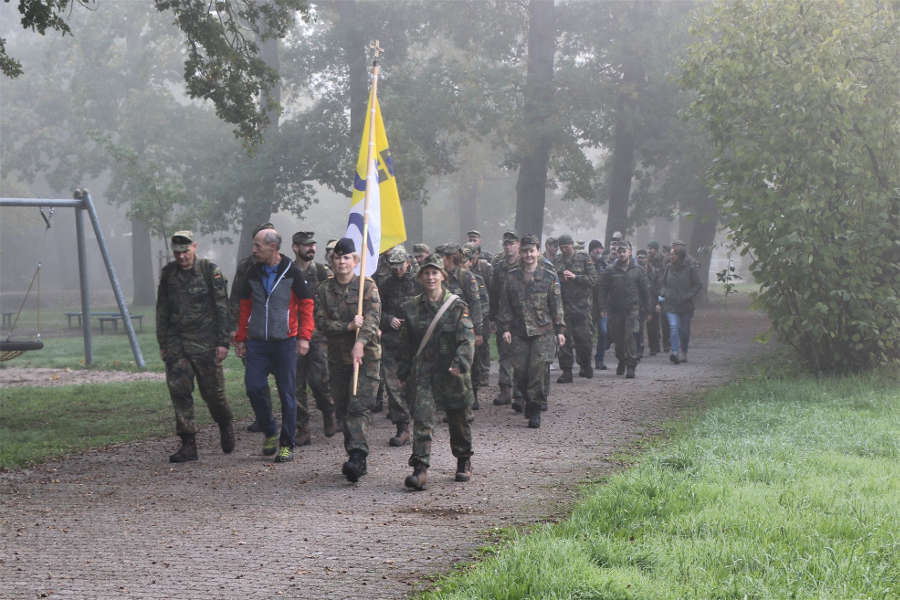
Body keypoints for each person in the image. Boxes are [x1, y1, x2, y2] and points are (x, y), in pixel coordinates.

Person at [234, 228, 314, 463]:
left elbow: (307, 304)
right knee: (253, 386)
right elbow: (245, 306)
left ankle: (287, 444)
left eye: (258, 246)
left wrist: (304, 336)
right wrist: (240, 338)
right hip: (257, 342)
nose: (254, 250)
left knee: (288, 394)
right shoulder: (251, 270)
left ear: (273, 248)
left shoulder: (292, 272)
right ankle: (270, 430)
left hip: (285, 342)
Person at [398, 255, 476, 490]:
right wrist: (403, 373)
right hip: (424, 373)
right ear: (420, 277)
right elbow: (405, 344)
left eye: (435, 273)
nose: (430, 277)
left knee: (458, 418)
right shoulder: (410, 308)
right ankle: (420, 469)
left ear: (443, 275)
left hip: (452, 372)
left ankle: (463, 460)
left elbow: (467, 339)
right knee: (422, 418)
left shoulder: (456, 306)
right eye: (426, 273)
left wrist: (460, 364)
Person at [157, 230, 235, 463]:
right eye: (177, 252)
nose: (181, 257)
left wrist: (223, 343)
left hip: (206, 342)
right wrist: (163, 343)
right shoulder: (168, 274)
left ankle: (224, 423)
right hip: (177, 342)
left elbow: (222, 308)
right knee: (179, 392)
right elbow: (162, 311)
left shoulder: (210, 271)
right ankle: (188, 443)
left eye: (185, 251)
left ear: (195, 247)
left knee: (213, 394)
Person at [315, 238, 382, 482]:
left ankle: (357, 457)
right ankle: (355, 455)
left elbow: (373, 320)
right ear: (332, 261)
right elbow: (320, 322)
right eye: (337, 257)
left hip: (365, 357)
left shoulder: (367, 286)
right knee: (343, 407)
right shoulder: (324, 289)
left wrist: (360, 342)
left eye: (346, 257)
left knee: (358, 405)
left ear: (355, 261)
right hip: (337, 358)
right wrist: (347, 326)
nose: (341, 262)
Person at [496, 234, 566, 428]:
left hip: (543, 331)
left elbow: (556, 305)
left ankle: (534, 409)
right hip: (519, 332)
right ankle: (527, 399)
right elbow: (505, 306)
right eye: (525, 251)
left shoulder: (549, 277)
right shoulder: (512, 277)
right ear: (521, 253)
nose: (528, 255)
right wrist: (505, 328)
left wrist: (560, 330)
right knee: (520, 371)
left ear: (537, 252)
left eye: (531, 251)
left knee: (536, 370)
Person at [291, 231, 337, 444]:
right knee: (295, 384)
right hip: (292, 334)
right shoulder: (287, 272)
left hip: (318, 335)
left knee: (319, 381)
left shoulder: (321, 271)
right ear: (295, 247)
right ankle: (303, 428)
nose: (311, 248)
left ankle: (328, 411)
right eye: (305, 245)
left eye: (313, 245)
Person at [230, 222, 274, 433]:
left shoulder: (284, 265)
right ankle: (263, 417)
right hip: (253, 331)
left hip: (279, 332)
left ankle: (296, 421)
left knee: (288, 379)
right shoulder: (246, 266)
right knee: (255, 379)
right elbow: (236, 296)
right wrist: (235, 329)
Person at [378, 245, 421, 447]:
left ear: (408, 263)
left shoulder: (420, 283)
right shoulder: (385, 285)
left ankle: (419, 425)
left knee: (413, 385)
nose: (397, 270)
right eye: (393, 266)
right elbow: (376, 310)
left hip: (415, 343)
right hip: (392, 342)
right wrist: (388, 320)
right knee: (392, 385)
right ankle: (402, 428)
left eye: (400, 265)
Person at [596, 241, 649, 378]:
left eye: (624, 251)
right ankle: (622, 360)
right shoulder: (610, 270)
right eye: (619, 252)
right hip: (614, 310)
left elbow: (644, 291)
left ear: (629, 252)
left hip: (632, 309)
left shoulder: (638, 270)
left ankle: (631, 365)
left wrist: (647, 309)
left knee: (629, 337)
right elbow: (602, 290)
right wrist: (602, 307)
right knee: (617, 340)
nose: (621, 254)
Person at [554, 234, 597, 382]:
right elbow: (551, 279)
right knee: (564, 340)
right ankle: (566, 371)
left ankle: (585, 365)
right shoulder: (557, 260)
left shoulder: (583, 259)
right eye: (562, 247)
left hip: (581, 307)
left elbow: (593, 280)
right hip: (563, 306)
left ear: (572, 245)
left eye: (566, 246)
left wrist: (576, 277)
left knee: (584, 340)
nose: (564, 250)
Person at [489, 231, 522, 408]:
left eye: (511, 243)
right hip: (503, 317)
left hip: (521, 318)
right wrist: (492, 317)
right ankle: (505, 389)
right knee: (504, 354)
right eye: (506, 244)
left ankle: (519, 392)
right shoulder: (499, 267)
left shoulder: (524, 264)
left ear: (518, 245)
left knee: (521, 355)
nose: (508, 247)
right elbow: (493, 294)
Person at [660, 241, 702, 364]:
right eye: (670, 254)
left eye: (673, 255)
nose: (670, 256)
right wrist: (663, 293)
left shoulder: (690, 269)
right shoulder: (668, 268)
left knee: (684, 331)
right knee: (673, 327)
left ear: (680, 257)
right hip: (671, 304)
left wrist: (688, 295)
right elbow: (663, 283)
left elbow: (698, 285)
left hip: (685, 306)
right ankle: (674, 352)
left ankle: (684, 351)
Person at [465, 242, 493, 387]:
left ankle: (484, 372)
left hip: (484, 312)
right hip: (468, 315)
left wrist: (489, 314)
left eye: (472, 254)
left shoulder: (485, 268)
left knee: (484, 344)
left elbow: (491, 291)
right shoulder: (464, 272)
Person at [588, 239, 609, 370]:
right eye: (596, 248)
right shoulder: (585, 263)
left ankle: (599, 359)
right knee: (587, 334)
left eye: (600, 248)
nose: (599, 251)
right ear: (591, 250)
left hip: (602, 305)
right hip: (587, 305)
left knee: (604, 332)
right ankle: (585, 360)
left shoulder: (604, 265)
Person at [645, 241, 663, 356]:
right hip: (649, 294)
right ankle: (653, 346)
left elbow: (662, 280)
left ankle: (656, 345)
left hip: (659, 293)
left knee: (655, 322)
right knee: (650, 321)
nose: (650, 250)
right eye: (649, 248)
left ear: (656, 250)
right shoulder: (647, 261)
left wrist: (660, 300)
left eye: (652, 248)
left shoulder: (662, 261)